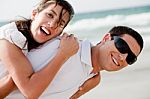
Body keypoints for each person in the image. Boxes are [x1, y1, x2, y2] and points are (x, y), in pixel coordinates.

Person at [2, 26, 144, 99]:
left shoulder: (93, 77)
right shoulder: (64, 47)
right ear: (107, 38)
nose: (123, 57)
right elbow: (10, 77)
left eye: (130, 58)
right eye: (122, 46)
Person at [0, 0, 79, 98]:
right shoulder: (9, 38)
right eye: (50, 15)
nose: (53, 24)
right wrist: (63, 54)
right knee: (11, 80)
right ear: (34, 14)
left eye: (60, 23)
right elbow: (30, 92)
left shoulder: (45, 43)